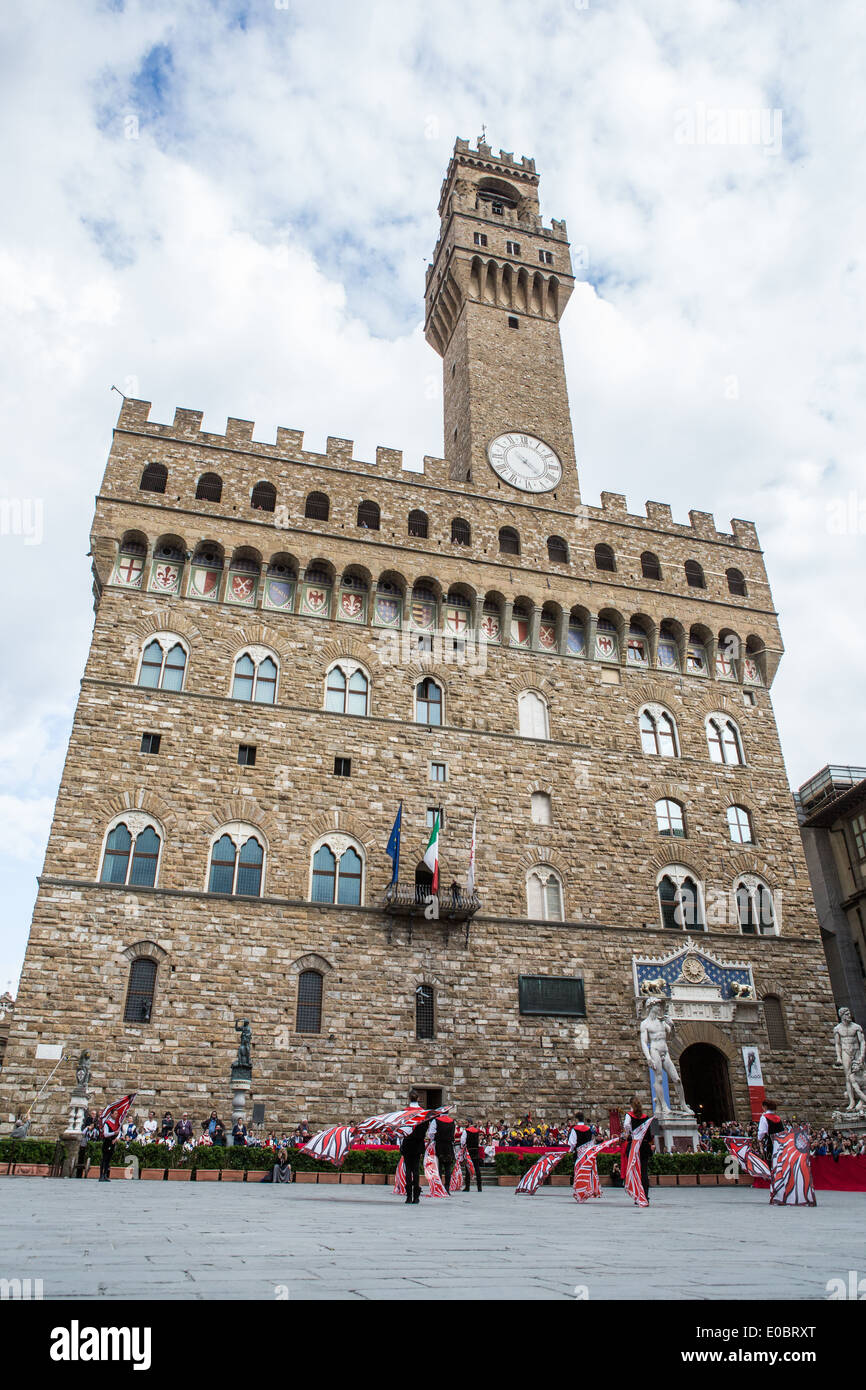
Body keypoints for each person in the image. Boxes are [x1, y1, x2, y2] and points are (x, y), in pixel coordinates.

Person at [622, 1096, 654, 1205]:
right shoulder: (646, 1117)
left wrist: (630, 1133)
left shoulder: (629, 1116)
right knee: (644, 1172)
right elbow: (650, 1134)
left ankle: (637, 1195)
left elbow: (626, 1125)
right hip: (644, 1146)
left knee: (634, 1171)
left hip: (634, 1146)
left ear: (631, 1105)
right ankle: (645, 1196)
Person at [400, 1090, 429, 1206]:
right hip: (418, 1143)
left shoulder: (404, 1112)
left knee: (408, 1170)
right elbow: (426, 1127)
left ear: (408, 1098)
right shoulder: (423, 1112)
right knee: (416, 1170)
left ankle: (408, 1196)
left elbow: (401, 1128)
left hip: (407, 1142)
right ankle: (416, 1197)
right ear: (418, 1099)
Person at [429, 1111, 456, 1193]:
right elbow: (453, 1133)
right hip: (449, 1146)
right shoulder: (452, 1121)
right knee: (448, 1168)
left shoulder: (436, 1120)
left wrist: (433, 1140)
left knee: (439, 1167)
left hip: (439, 1145)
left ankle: (439, 1187)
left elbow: (431, 1133)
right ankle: (447, 1188)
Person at [757, 1100, 784, 1168]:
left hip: (770, 1142)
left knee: (770, 1161)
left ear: (765, 1107)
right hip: (780, 1142)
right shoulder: (778, 1118)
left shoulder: (764, 1117)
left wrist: (759, 1140)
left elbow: (762, 1132)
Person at [463, 1118, 483, 1192]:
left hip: (469, 1151)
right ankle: (479, 1187)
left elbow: (463, 1141)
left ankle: (467, 1187)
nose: (465, 1124)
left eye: (466, 1123)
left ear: (469, 1123)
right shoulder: (477, 1131)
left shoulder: (466, 1131)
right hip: (476, 1150)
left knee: (468, 1168)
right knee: (477, 1169)